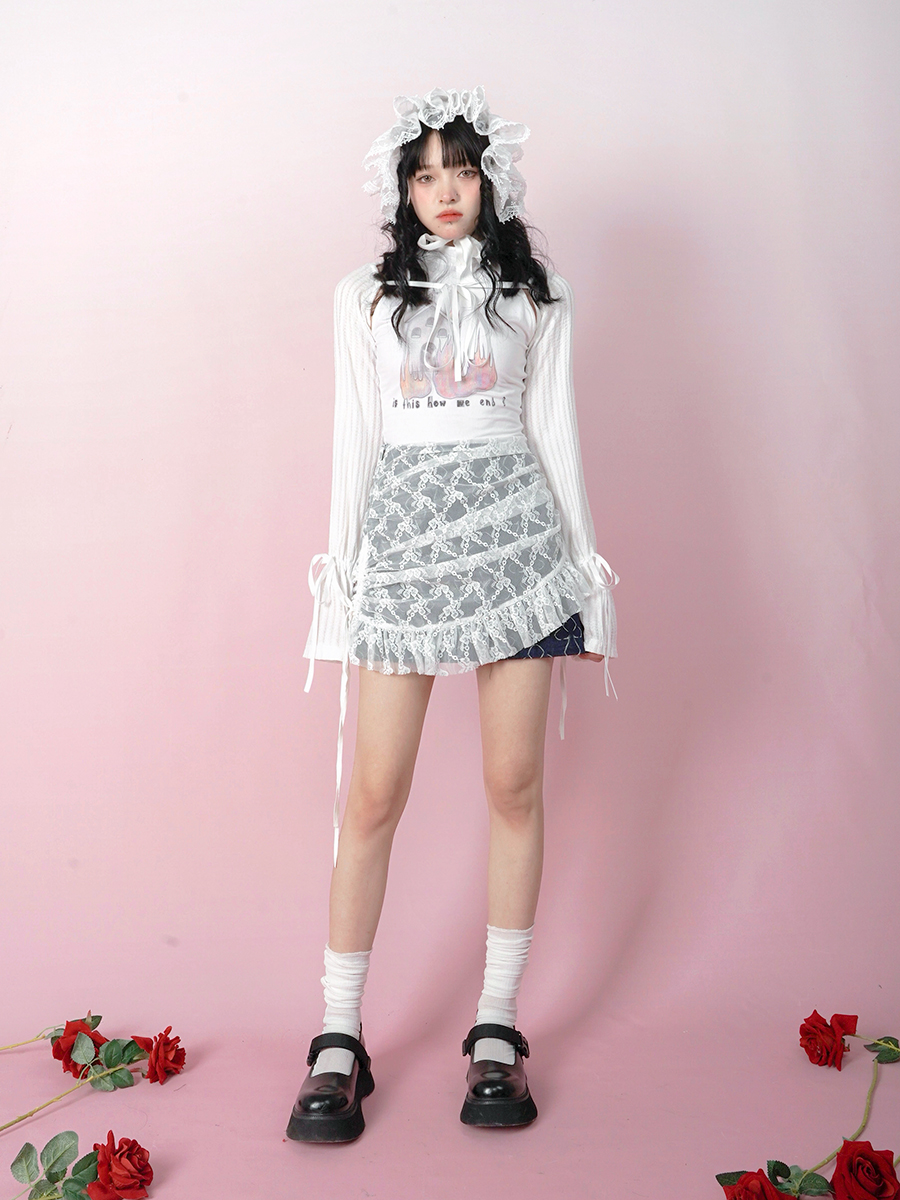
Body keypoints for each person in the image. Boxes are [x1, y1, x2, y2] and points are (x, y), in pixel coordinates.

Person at [286, 86, 618, 1143]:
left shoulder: (539, 294)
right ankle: (339, 1036)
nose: (444, 190)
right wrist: (342, 595)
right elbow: (354, 445)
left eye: (461, 170)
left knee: (513, 785)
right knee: (372, 796)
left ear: (490, 180)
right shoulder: (363, 298)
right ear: (402, 186)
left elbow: (556, 434)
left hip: (519, 552)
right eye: (425, 173)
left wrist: (585, 586)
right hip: (403, 556)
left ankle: (497, 1027)